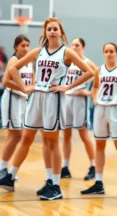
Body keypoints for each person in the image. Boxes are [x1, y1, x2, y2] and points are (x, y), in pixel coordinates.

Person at [0, 17, 93, 201]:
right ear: (45, 32)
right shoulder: (38, 51)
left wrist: (67, 87)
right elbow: (13, 68)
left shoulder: (66, 52)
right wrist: (24, 87)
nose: (52, 31)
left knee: (51, 142)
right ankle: (11, 176)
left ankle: (56, 185)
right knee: (27, 137)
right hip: (36, 97)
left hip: (53, 98)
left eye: (55, 29)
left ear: (61, 32)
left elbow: (90, 72)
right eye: (49, 29)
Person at [81, 42, 117, 195]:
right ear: (103, 54)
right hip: (100, 109)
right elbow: (95, 87)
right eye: (106, 51)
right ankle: (99, 183)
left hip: (115, 109)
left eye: (111, 51)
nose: (109, 54)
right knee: (99, 146)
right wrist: (94, 98)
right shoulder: (98, 71)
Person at [61, 38, 97, 180]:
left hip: (79, 100)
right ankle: (65, 167)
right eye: (72, 45)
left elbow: (100, 77)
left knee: (83, 135)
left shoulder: (87, 63)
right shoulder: (68, 62)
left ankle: (94, 166)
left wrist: (90, 93)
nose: (74, 47)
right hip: (66, 99)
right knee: (66, 135)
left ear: (83, 47)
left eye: (77, 45)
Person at [0, 35, 33, 177]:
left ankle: (4, 167)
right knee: (16, 135)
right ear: (16, 47)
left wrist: (33, 86)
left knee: (13, 136)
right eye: (22, 45)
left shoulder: (29, 62)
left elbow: (31, 79)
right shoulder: (14, 60)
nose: (26, 48)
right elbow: (6, 82)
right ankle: (2, 168)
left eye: (27, 45)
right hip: (12, 98)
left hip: (22, 100)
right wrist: (23, 88)